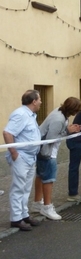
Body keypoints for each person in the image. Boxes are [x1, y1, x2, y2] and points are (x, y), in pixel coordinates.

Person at [31, 97, 81, 220]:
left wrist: (67, 130)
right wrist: (68, 131)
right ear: (73, 110)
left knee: (40, 176)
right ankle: (47, 207)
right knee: (49, 179)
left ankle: (37, 203)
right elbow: (52, 138)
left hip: (43, 150)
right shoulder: (59, 119)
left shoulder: (59, 112)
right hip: (47, 152)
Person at [3, 90, 42, 231]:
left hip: (30, 157)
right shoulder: (20, 114)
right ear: (34, 101)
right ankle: (16, 219)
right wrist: (14, 153)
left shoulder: (30, 115)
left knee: (26, 188)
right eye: (40, 99)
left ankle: (24, 215)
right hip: (22, 157)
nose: (41, 102)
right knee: (18, 188)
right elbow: (8, 132)